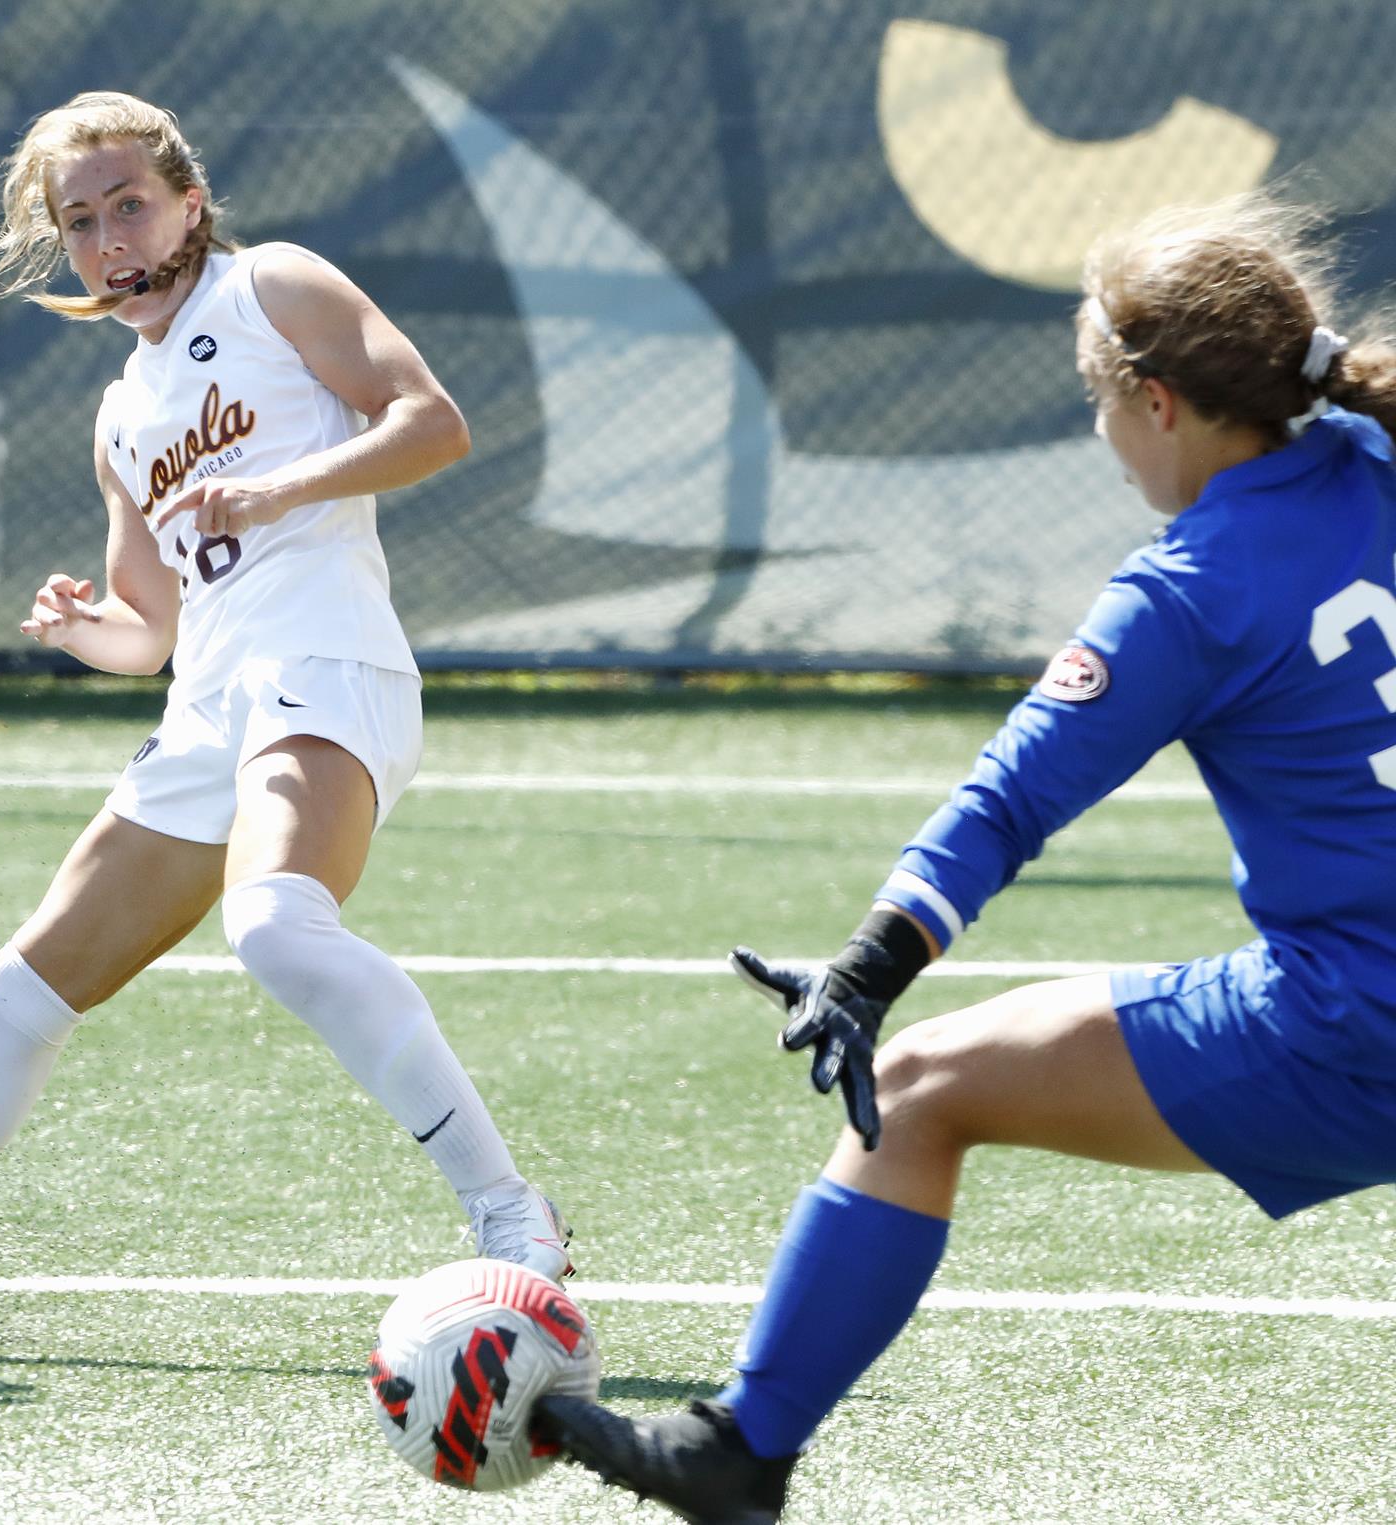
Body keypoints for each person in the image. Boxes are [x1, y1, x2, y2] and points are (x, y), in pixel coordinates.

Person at [537, 193, 1396, 1522]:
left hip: (1361, 1033)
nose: (1103, 437)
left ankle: (741, 1450)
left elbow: (1010, 798)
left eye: (1101, 404)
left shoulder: (1194, 583)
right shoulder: (1375, 456)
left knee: (926, 1089)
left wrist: (872, 968)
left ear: (1158, 404)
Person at [0, 91, 570, 1353]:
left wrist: (276, 488)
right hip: (208, 708)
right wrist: (86, 624)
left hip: (326, 664)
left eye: (129, 205)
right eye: (79, 220)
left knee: (273, 927)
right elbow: (150, 625)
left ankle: (509, 1214)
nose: (108, 239)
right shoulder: (120, 412)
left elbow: (432, 422)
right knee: (16, 999)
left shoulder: (277, 286)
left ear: (189, 200)